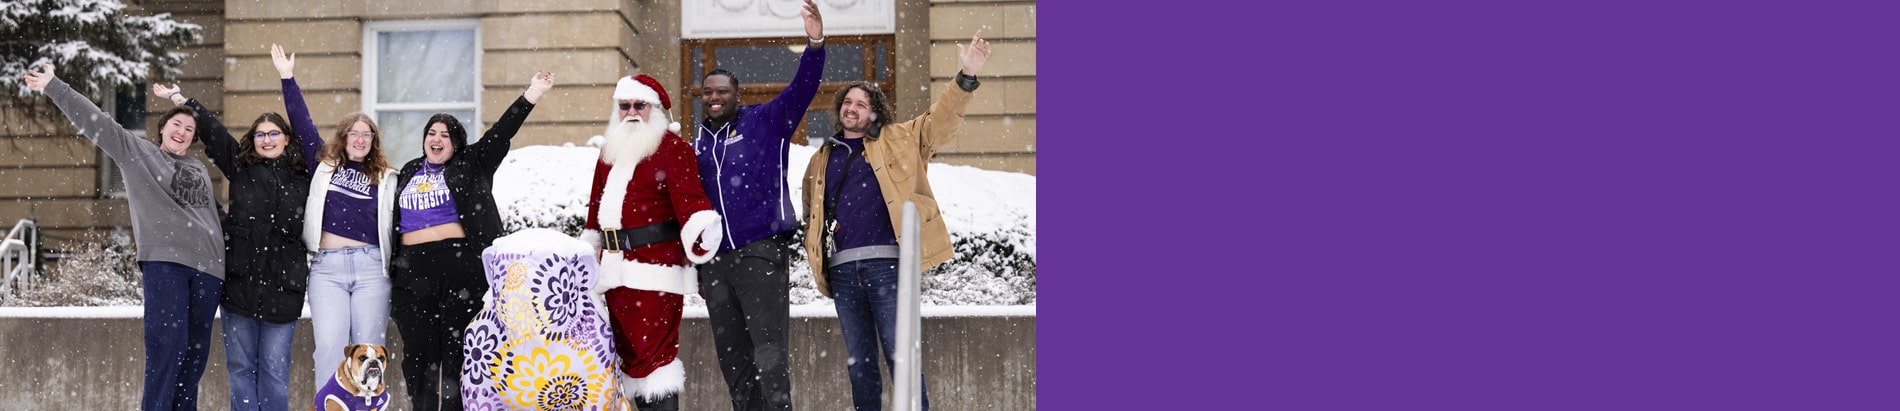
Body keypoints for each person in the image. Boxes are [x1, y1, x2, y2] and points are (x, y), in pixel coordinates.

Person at [800, 31, 992, 411]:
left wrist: (965, 77)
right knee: (860, 368)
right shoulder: (821, 158)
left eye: (861, 103)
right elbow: (810, 211)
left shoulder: (901, 138)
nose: (852, 108)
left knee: (901, 360)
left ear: (875, 112)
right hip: (842, 273)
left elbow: (941, 121)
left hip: (888, 266)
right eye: (848, 102)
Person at [24, 63, 225, 411]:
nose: (183, 131)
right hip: (167, 266)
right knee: (166, 352)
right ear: (162, 129)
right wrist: (54, 86)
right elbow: (97, 122)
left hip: (209, 272)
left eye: (190, 128)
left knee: (193, 362)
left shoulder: (198, 169)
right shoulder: (138, 154)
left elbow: (213, 216)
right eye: (176, 124)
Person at [156, 43, 324, 411]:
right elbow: (212, 133)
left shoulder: (305, 175)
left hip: (285, 286)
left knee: (276, 373)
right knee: (241, 369)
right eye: (260, 134)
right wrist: (181, 98)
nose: (266, 139)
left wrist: (288, 80)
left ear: (285, 139)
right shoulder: (241, 168)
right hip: (240, 286)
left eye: (273, 133)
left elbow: (307, 127)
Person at [388, 71, 553, 411]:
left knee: (456, 354)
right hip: (413, 274)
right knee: (418, 355)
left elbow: (502, 132)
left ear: (456, 142)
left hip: (460, 271)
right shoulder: (407, 171)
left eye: (445, 134)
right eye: (431, 133)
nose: (436, 139)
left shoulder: (472, 163)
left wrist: (532, 93)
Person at [691, 1, 824, 408]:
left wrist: (815, 43)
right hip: (714, 266)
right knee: (733, 361)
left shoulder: (765, 121)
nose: (714, 98)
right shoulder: (694, 145)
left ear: (737, 96)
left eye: (722, 92)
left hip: (760, 255)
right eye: (708, 92)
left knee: (769, 356)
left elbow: (803, 87)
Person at [582, 74, 723, 411]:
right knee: (627, 361)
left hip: (654, 273)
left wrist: (702, 235)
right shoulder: (609, 151)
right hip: (613, 273)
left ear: (655, 109)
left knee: (654, 362)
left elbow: (691, 202)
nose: (632, 112)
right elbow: (595, 208)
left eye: (639, 105)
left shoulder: (673, 149)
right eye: (625, 106)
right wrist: (587, 256)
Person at [292, 48, 399, 393]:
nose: (360, 139)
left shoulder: (387, 177)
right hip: (328, 269)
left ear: (373, 142)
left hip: (371, 269)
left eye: (367, 134)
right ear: (343, 137)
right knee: (329, 348)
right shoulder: (324, 166)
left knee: (371, 353)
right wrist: (286, 78)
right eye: (354, 133)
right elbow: (302, 123)